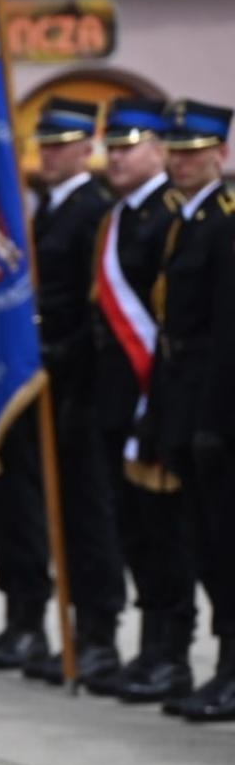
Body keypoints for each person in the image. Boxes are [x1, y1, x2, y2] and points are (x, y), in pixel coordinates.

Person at [83, 99, 199, 702]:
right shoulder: (119, 218)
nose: (118, 158)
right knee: (132, 529)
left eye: (129, 147)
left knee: (166, 531)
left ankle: (172, 652)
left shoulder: (171, 215)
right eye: (113, 148)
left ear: (157, 149)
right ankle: (151, 649)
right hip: (117, 397)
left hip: (158, 396)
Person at [14, 98, 126, 686]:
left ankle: (99, 634)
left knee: (90, 516)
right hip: (52, 385)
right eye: (46, 145)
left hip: (81, 385)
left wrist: (61, 358)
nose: (50, 155)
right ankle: (74, 633)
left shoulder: (92, 212)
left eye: (62, 146)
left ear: (87, 149)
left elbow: (92, 308)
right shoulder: (51, 211)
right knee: (66, 514)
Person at [142, 98, 235, 720]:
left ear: (219, 155)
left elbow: (227, 332)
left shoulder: (224, 223)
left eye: (193, 154)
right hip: (184, 399)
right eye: (175, 153)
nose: (181, 164)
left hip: (215, 410)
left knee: (226, 545)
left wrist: (214, 422)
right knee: (201, 542)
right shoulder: (187, 222)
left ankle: (231, 668)